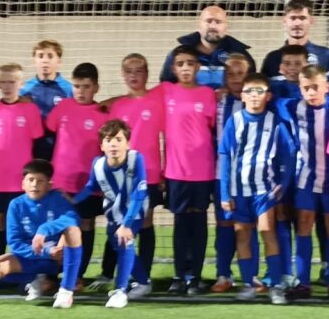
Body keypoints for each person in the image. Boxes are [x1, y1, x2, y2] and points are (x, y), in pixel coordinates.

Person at [218, 73, 296, 304]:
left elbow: (290, 154)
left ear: (268, 95)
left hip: (264, 190)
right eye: (249, 91)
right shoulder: (235, 121)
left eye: (259, 91)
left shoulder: (274, 122)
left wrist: (283, 183)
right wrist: (224, 192)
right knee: (242, 234)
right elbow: (224, 155)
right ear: (242, 95)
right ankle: (249, 283)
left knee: (267, 231)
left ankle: (276, 284)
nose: (254, 96)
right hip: (238, 190)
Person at [278, 65, 329, 297]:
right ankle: (303, 282)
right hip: (305, 179)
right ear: (300, 89)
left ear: (327, 87)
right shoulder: (292, 107)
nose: (311, 92)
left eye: (316, 87)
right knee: (304, 226)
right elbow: (270, 97)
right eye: (306, 88)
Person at [0, 160, 84, 309]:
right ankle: (39, 280)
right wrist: (46, 251)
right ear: (23, 183)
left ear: (49, 184)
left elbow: (73, 218)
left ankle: (66, 290)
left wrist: (45, 229)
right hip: (34, 256)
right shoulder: (16, 205)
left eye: (40, 181)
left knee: (73, 230)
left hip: (58, 257)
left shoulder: (57, 198)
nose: (34, 185)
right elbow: (15, 243)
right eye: (30, 180)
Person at [103, 54, 162, 298]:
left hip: (148, 175)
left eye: (138, 71)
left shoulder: (158, 100)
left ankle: (143, 277)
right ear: (122, 74)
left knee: (144, 223)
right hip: (119, 179)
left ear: (147, 73)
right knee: (117, 225)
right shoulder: (116, 106)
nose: (134, 75)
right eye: (129, 71)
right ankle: (120, 275)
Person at [75, 120, 149, 307]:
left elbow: (139, 194)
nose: (113, 144)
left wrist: (126, 225)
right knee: (120, 245)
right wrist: (71, 201)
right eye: (108, 140)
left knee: (125, 241)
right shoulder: (98, 164)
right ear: (102, 145)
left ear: (128, 143)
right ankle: (143, 282)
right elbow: (91, 186)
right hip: (113, 213)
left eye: (118, 139)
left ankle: (120, 291)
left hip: (135, 210)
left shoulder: (136, 159)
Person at [163, 45, 218, 294]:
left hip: (203, 171)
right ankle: (178, 275)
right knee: (180, 222)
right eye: (180, 63)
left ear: (197, 67)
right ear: (174, 68)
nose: (185, 68)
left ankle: (194, 276)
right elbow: (135, 96)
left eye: (190, 63)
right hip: (175, 172)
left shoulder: (208, 94)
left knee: (198, 223)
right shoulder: (166, 91)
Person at [46, 62, 106, 284]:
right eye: (77, 86)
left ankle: (78, 276)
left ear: (96, 87)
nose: (81, 91)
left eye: (86, 86)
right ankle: (50, 275)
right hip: (60, 182)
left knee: (85, 226)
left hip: (88, 184)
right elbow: (50, 128)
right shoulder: (62, 108)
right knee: (56, 227)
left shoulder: (102, 114)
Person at [0, 63, 41, 261]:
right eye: (3, 82)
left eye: (12, 82)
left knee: (24, 220)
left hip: (23, 177)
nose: (8, 86)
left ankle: (25, 264)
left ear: (21, 83)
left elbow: (37, 141)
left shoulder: (30, 110)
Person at [210, 54, 249, 293]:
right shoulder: (218, 101)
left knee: (247, 226)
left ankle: (250, 276)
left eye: (240, 73)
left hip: (250, 178)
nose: (235, 78)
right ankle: (223, 274)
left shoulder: (260, 102)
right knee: (224, 225)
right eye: (231, 74)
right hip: (221, 175)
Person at [260, 0, 329, 92]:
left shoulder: (326, 55)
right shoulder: (272, 58)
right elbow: (263, 92)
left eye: (302, 18)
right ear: (284, 21)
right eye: (293, 18)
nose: (297, 23)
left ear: (311, 21)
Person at [158, 5, 255, 88]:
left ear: (226, 27)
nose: (213, 26)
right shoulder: (179, 55)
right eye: (208, 21)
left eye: (218, 22)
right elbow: (166, 85)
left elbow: (251, 86)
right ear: (199, 25)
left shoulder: (240, 54)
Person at [20, 39, 74, 161]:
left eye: (50, 56)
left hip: (60, 150)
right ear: (34, 60)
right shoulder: (24, 89)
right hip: (32, 150)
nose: (45, 60)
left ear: (59, 61)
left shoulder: (69, 89)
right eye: (40, 56)